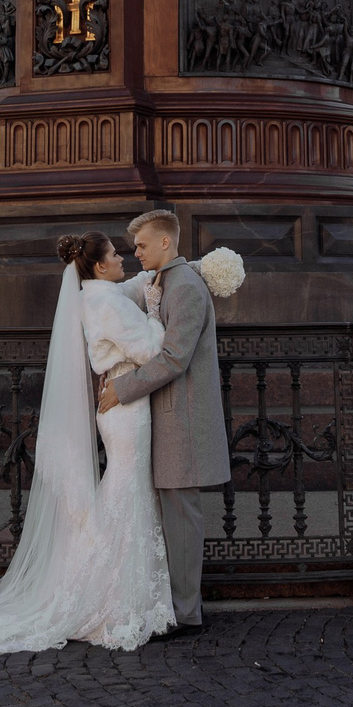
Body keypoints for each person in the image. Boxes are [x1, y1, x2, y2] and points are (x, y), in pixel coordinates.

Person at [0, 231, 176, 656]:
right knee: (128, 490)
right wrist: (157, 314)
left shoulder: (93, 294)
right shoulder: (105, 301)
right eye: (116, 254)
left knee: (125, 489)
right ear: (100, 265)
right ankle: (111, 593)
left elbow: (128, 287)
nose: (125, 259)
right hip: (127, 407)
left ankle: (114, 583)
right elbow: (148, 349)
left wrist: (163, 274)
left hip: (119, 406)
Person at [98, 209, 229, 637]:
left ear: (166, 243)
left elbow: (175, 356)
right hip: (168, 415)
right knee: (172, 513)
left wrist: (124, 388)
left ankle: (188, 613)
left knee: (182, 514)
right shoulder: (164, 281)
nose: (135, 252)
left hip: (183, 418)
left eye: (141, 245)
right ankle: (173, 606)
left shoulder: (185, 286)